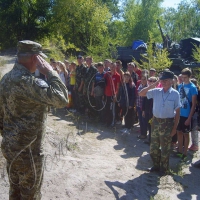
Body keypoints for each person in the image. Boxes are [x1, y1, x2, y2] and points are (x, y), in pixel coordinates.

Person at [0, 40, 68, 199]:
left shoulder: (5, 79)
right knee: (30, 195)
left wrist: (11, 137)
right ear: (34, 59)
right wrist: (50, 71)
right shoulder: (30, 83)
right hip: (29, 153)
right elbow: (62, 98)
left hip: (10, 148)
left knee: (15, 192)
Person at [139, 69, 181, 176]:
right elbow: (141, 93)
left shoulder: (175, 94)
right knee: (154, 147)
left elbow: (178, 112)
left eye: (166, 80)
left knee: (165, 148)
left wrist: (174, 129)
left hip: (168, 123)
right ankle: (156, 165)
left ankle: (164, 169)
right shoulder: (156, 91)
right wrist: (155, 84)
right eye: (162, 80)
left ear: (172, 81)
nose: (164, 82)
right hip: (156, 122)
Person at [177, 68, 197, 160]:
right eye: (182, 77)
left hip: (186, 114)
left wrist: (189, 118)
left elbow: (193, 105)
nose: (183, 79)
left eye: (185, 77)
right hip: (179, 113)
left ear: (190, 77)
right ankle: (180, 151)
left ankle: (185, 153)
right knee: (179, 132)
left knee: (185, 134)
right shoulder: (179, 86)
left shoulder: (193, 88)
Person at [104, 62, 121, 127]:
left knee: (112, 110)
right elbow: (103, 83)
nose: (112, 68)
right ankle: (107, 122)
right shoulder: (107, 74)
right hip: (106, 94)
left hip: (112, 95)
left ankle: (112, 122)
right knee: (107, 109)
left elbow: (118, 87)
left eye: (113, 67)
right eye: (111, 67)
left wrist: (115, 96)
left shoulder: (117, 75)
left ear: (115, 67)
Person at [136, 74, 148, 139]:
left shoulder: (147, 87)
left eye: (144, 79)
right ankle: (142, 133)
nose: (143, 80)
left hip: (144, 107)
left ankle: (144, 134)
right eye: (142, 79)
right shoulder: (140, 85)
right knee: (140, 120)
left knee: (144, 121)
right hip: (138, 105)